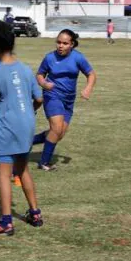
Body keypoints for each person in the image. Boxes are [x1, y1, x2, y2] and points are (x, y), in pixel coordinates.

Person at [0, 20, 44, 236]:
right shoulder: (26, 69)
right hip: (27, 125)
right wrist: (28, 111)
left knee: (3, 171)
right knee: (23, 168)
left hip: (7, 127)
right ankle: (35, 213)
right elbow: (39, 98)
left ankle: (6, 221)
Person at [32, 29, 97, 171]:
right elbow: (40, 74)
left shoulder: (78, 58)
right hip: (52, 95)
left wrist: (88, 88)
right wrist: (43, 84)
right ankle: (44, 162)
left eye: (65, 43)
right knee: (56, 128)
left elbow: (91, 74)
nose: (60, 46)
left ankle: (29, 141)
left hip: (69, 100)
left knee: (59, 133)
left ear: (72, 44)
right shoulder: (49, 58)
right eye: (59, 42)